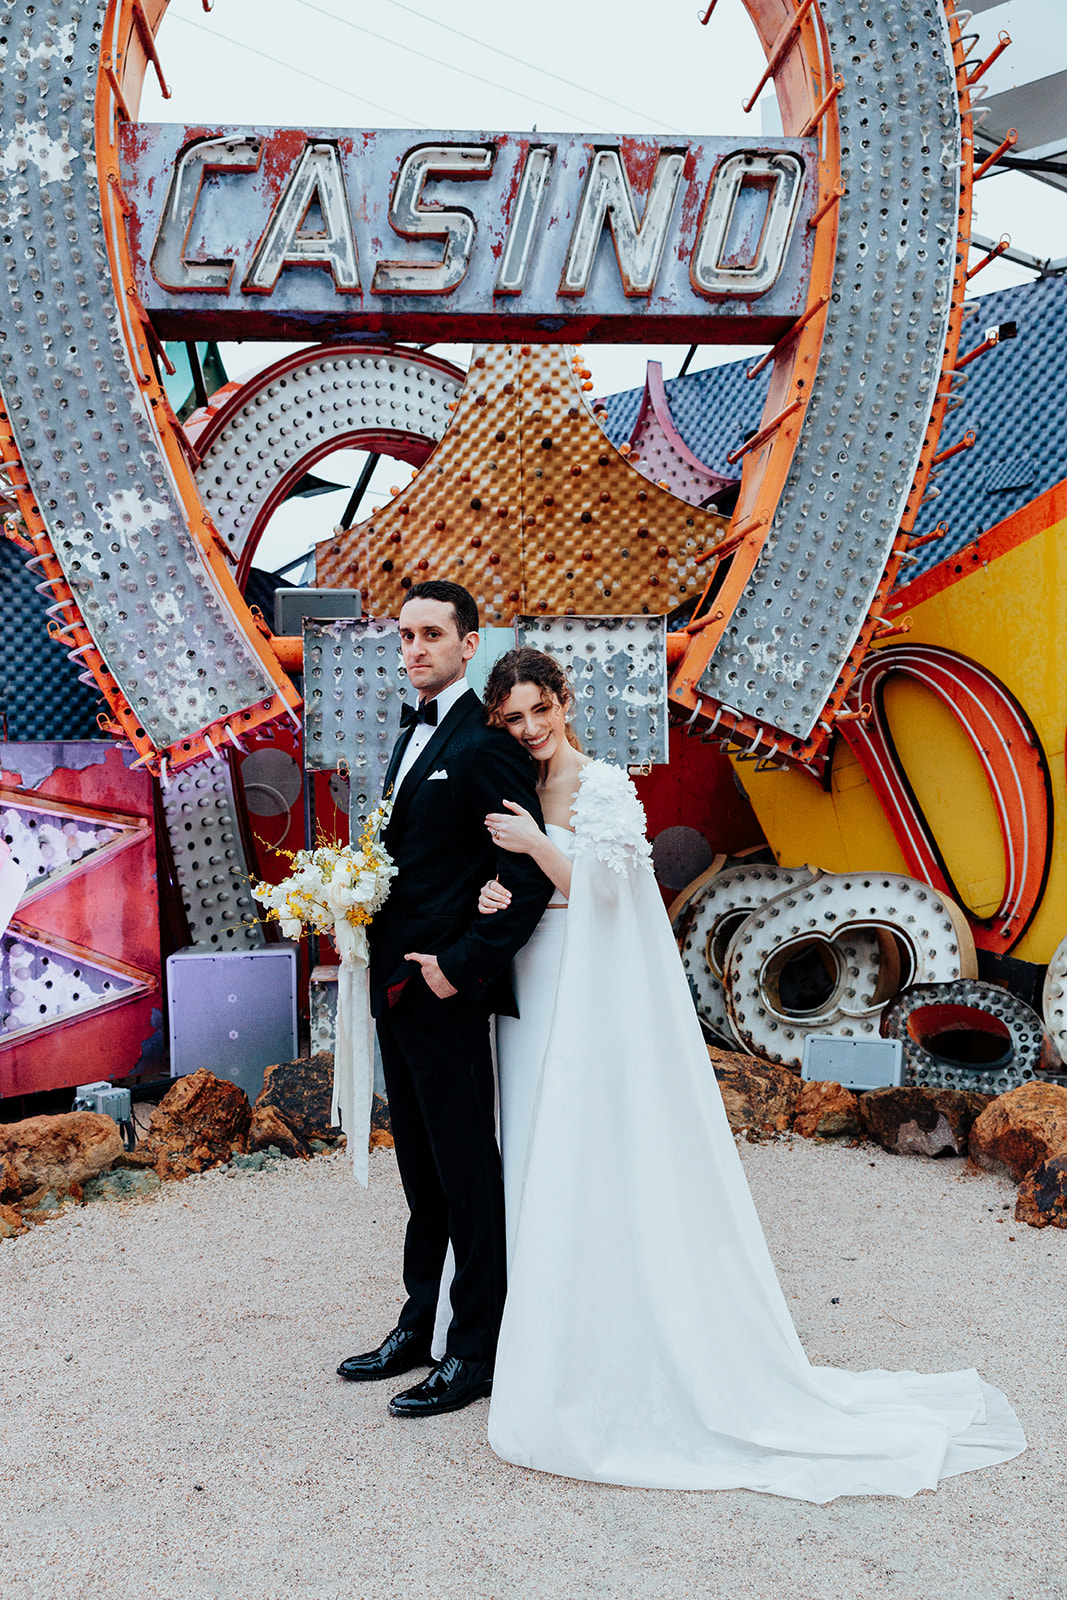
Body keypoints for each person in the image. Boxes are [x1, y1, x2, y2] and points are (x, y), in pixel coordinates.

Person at [475, 646, 1026, 1502]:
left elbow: (613, 896)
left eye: (538, 710)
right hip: (536, 978)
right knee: (541, 1147)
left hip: (590, 989)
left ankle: (626, 1343)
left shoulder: (603, 785)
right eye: (512, 719)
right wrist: (497, 889)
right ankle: (553, 1337)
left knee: (598, 1145)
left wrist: (532, 849)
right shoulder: (514, 790)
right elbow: (528, 885)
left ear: (564, 700)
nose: (530, 729)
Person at [336, 584, 552, 1419]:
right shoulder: (408, 731)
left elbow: (524, 871)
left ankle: (475, 1353)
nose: (415, 647)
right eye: (406, 635)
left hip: (444, 991)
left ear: (469, 646)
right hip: (394, 987)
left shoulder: (486, 742)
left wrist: (456, 968)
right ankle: (419, 1322)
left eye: (432, 635)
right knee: (420, 1171)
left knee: (466, 1172)